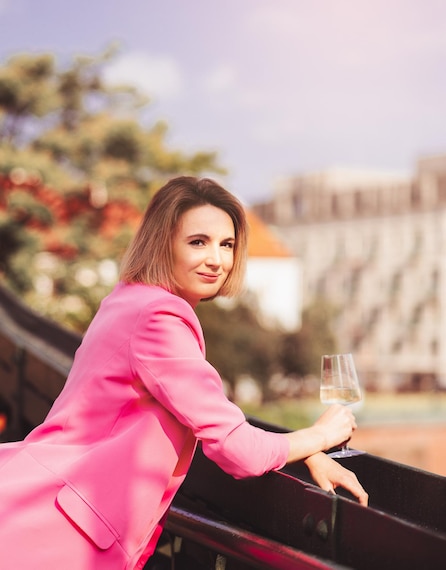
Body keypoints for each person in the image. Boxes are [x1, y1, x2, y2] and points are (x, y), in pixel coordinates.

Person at [0, 176, 368, 569]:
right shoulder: (160, 318)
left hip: (43, 513)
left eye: (226, 245)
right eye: (198, 242)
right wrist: (321, 435)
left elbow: (209, 421)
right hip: (61, 537)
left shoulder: (129, 298)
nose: (217, 260)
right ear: (163, 243)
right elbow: (237, 449)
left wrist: (303, 450)